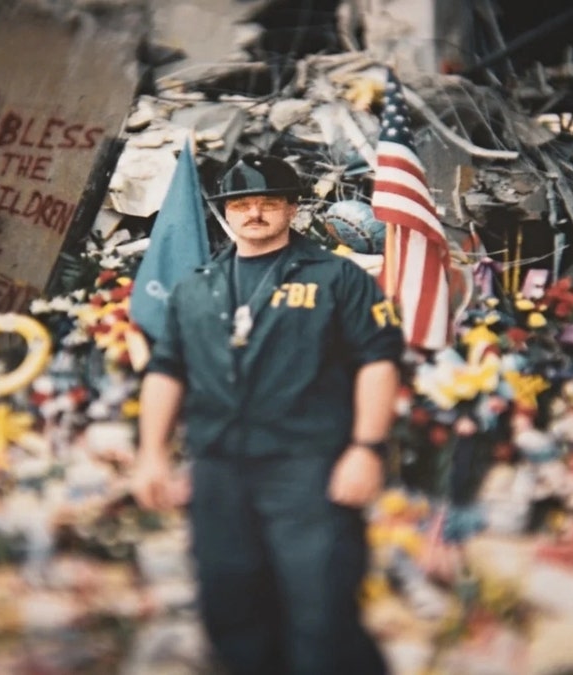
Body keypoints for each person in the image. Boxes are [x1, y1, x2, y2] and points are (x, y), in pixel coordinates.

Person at [132, 154, 403, 675]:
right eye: (240, 204)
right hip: (220, 469)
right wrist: (151, 455)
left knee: (319, 606)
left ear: (291, 209)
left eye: (267, 203)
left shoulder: (338, 278)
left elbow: (378, 361)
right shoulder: (197, 286)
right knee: (230, 605)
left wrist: (367, 448)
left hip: (308, 466)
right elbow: (166, 371)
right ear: (223, 213)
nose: (253, 214)